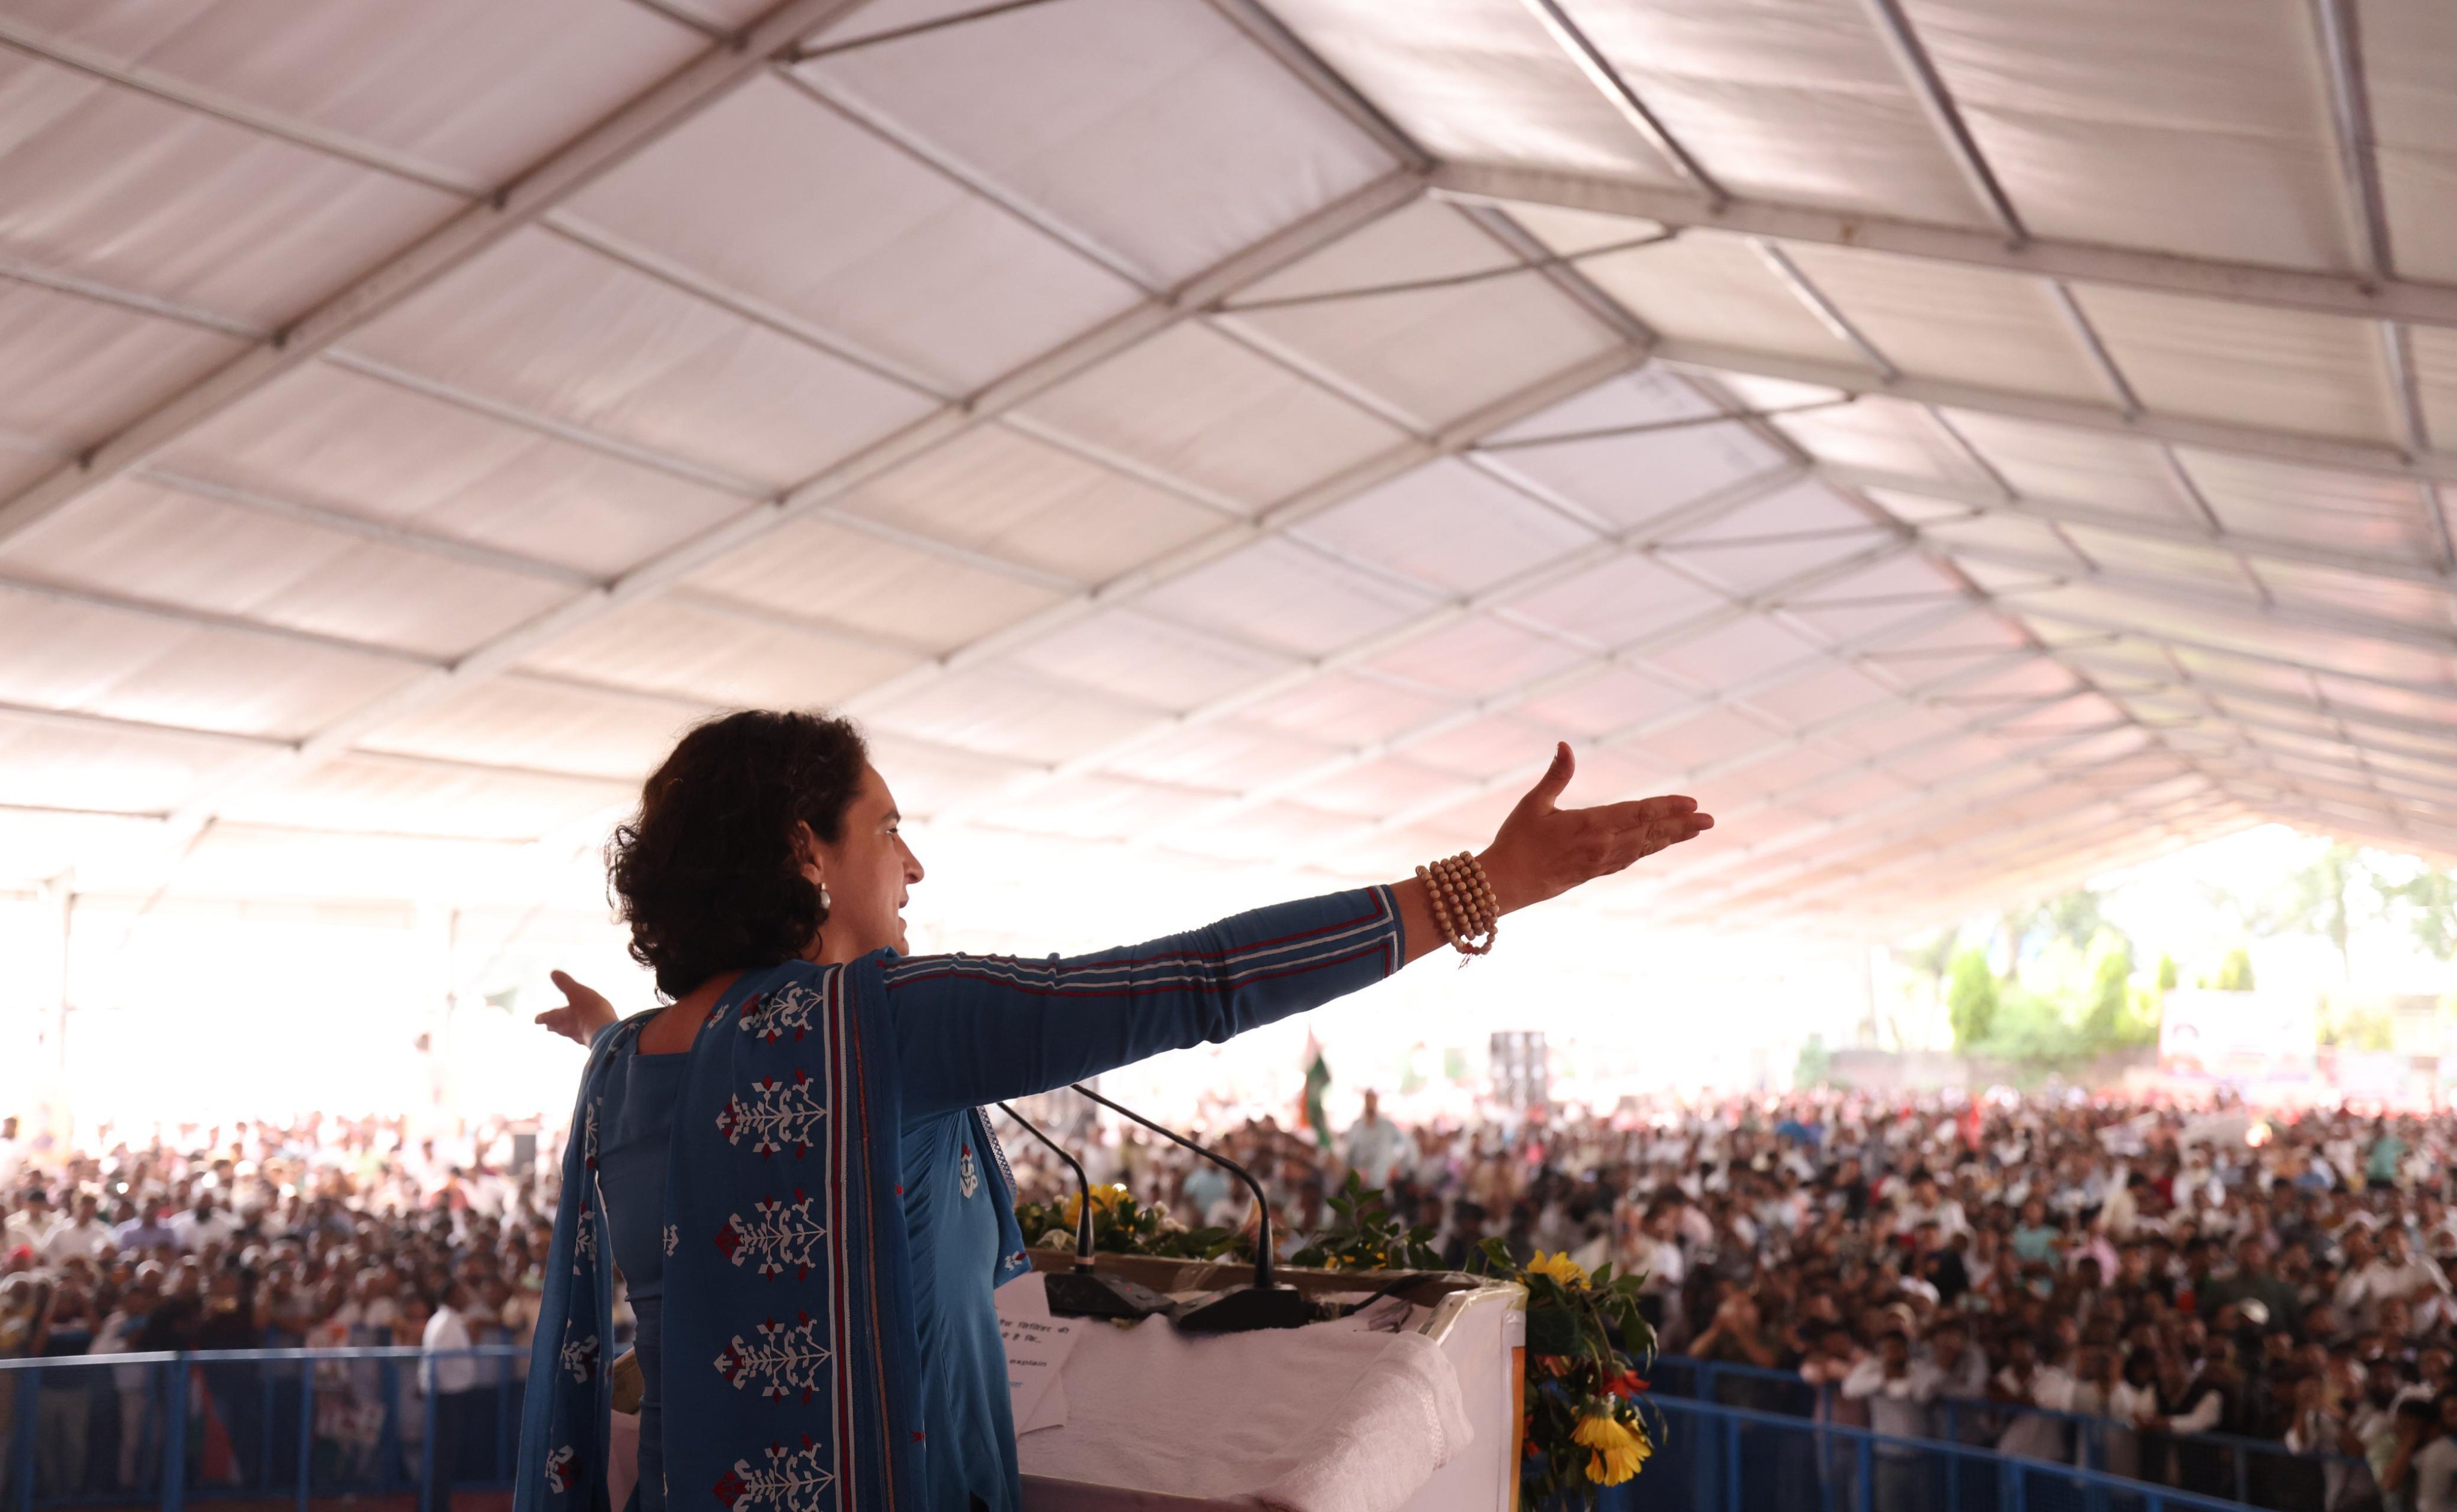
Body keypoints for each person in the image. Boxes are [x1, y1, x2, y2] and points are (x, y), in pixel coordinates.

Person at [516, 714, 1710, 1512]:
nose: (911, 866)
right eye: (886, 826)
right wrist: (1478, 886)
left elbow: (716, 1141)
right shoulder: (881, 1027)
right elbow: (1193, 982)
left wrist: (606, 1023)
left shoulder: (628, 1065)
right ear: (804, 853)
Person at [423, 1280, 480, 1512]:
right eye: (461, 1293)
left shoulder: (449, 1319)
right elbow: (438, 1361)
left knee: (445, 1454)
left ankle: (436, 1503)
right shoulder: (445, 1323)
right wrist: (430, 1387)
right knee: (442, 1456)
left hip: (450, 1395)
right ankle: (435, 1505)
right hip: (446, 1396)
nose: (466, 1297)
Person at [1339, 1090, 1409, 1192]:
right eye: (1368, 1100)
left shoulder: (1387, 1127)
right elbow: (1349, 1152)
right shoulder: (1357, 1127)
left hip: (1381, 1176)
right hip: (1360, 1177)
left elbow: (1401, 1146)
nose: (1370, 1104)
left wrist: (1393, 1164)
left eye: (1373, 1100)